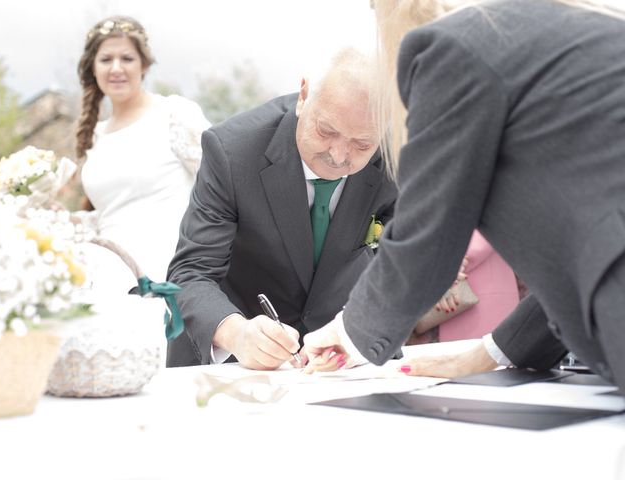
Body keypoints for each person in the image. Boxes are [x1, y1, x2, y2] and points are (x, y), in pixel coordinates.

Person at [302, 0, 625, 398]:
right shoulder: (576, 26)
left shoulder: (452, 47)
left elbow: (427, 240)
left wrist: (350, 332)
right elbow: (593, 244)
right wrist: (488, 354)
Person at [166, 47, 398, 370]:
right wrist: (237, 334)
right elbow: (190, 274)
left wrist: (357, 330)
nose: (340, 155)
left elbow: (402, 268)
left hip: (340, 369)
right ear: (304, 96)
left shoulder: (395, 159)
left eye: (362, 144)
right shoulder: (232, 152)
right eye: (327, 131)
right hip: (233, 367)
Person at [75, 15, 210, 296]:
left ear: (144, 64)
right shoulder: (96, 136)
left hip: (170, 273)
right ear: (93, 68)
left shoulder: (174, 114)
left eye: (127, 58)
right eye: (105, 59)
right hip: (107, 278)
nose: (116, 68)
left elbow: (220, 187)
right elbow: (108, 212)